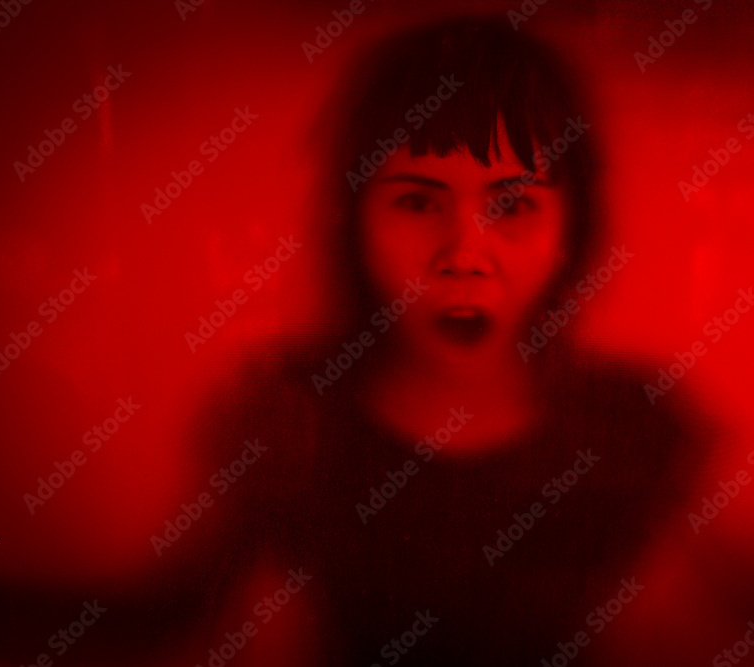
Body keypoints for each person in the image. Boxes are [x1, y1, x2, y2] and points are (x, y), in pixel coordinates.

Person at [175, 15, 715, 665]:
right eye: (419, 203)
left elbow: (678, 636)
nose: (464, 255)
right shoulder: (287, 424)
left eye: (511, 206)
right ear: (353, 218)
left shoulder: (630, 430)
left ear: (573, 226)